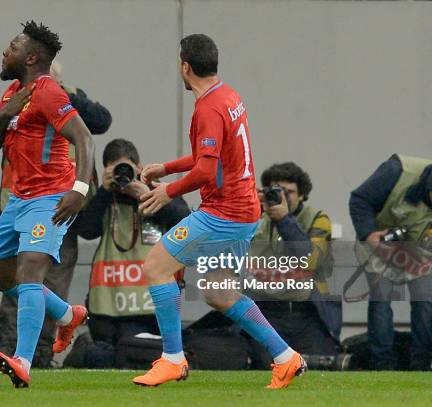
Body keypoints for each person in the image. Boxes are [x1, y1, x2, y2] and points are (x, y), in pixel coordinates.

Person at [132, 34, 306, 388]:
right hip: (242, 212)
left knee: (156, 266)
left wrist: (168, 191)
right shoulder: (228, 96)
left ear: (185, 67)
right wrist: (166, 167)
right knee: (220, 293)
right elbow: (211, 158)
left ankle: (172, 359)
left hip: (223, 214)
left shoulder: (208, 108)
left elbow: (206, 171)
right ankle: (286, 357)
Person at [0, 20, 95, 388]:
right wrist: (4, 112)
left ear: (30, 57)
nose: (4, 51)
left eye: (12, 46)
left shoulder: (49, 92)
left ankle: (23, 361)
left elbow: (85, 138)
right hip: (18, 199)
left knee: (30, 271)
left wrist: (79, 188)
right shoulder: (13, 94)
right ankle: (66, 315)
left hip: (51, 198)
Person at [0, 60, 112, 367]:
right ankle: (60, 317)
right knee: (6, 280)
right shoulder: (16, 101)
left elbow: (100, 122)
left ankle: (34, 358)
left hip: (58, 203)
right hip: (18, 200)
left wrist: (68, 95)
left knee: (39, 277)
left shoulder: (63, 100)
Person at [65, 139, 190, 368]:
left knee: (139, 353)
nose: (124, 175)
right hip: (108, 307)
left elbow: (184, 222)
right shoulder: (105, 198)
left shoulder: (158, 191)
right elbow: (87, 230)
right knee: (108, 356)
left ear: (139, 167)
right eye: (116, 169)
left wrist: (148, 196)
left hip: (150, 306)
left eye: (128, 168)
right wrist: (103, 191)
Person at [244, 162, 340, 368]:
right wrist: (247, 204)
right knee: (264, 370)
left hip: (308, 313)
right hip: (266, 310)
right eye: (276, 191)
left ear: (303, 195)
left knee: (317, 371)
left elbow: (311, 259)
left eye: (289, 192)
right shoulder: (254, 217)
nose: (282, 198)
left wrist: (284, 220)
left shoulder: (317, 219)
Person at [349, 154, 432, 371]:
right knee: (381, 300)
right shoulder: (396, 171)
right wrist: (369, 235)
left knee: (425, 302)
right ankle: (382, 365)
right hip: (380, 243)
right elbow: (359, 200)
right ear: (429, 189)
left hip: (419, 249)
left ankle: (421, 366)